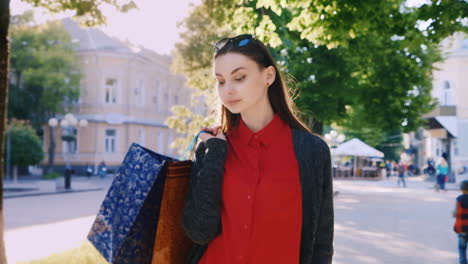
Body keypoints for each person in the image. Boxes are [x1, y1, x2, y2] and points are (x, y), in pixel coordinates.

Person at [181, 34, 334, 264]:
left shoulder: (312, 151)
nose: (228, 90)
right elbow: (198, 232)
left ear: (268, 76)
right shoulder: (214, 147)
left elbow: (321, 243)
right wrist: (214, 156)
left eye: (239, 77)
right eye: (221, 81)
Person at [453, 180, 468, 264]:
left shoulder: (459, 199)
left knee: (462, 249)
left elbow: (458, 213)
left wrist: (454, 213)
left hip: (462, 228)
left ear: (461, 189)